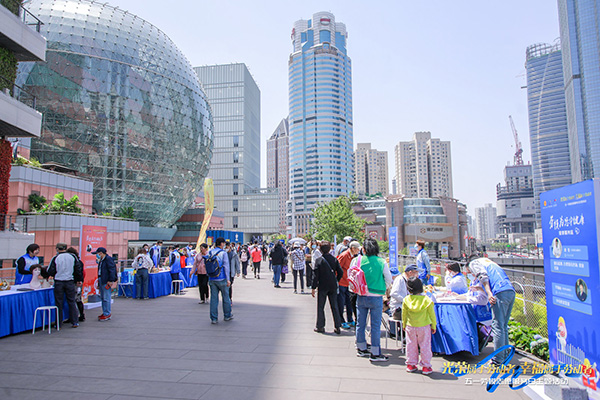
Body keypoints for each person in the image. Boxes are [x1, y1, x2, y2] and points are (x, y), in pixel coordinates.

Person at [468, 256, 516, 365]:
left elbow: (483, 277)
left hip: (499, 292)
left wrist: (489, 293)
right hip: (510, 291)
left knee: (497, 326)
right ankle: (504, 355)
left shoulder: (474, 263)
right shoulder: (490, 262)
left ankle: (498, 360)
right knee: (503, 326)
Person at [354, 238, 392, 362]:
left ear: (363, 249)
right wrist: (381, 288)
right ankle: (375, 353)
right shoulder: (381, 262)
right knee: (375, 325)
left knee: (361, 323)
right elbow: (388, 280)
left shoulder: (358, 260)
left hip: (361, 295)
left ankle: (361, 348)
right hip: (376, 297)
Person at [402, 278, 436, 374]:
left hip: (410, 326)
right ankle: (426, 366)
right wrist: (433, 325)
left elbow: (404, 314)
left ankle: (411, 364)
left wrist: (404, 324)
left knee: (411, 345)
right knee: (425, 345)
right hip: (424, 326)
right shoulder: (426, 300)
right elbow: (432, 314)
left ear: (409, 289)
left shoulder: (406, 300)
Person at [47, 243, 83, 328]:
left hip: (59, 281)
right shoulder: (72, 256)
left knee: (59, 303)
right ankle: (75, 321)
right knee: (71, 301)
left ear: (57, 249)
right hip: (70, 281)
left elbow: (50, 271)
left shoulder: (55, 258)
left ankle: (58, 322)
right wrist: (78, 279)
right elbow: (78, 269)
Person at [311, 241, 343, 335]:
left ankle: (320, 326)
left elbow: (315, 275)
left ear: (320, 249)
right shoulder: (334, 259)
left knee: (321, 306)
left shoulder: (319, 260)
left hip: (322, 286)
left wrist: (313, 287)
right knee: (334, 306)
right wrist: (336, 280)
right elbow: (340, 272)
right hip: (333, 285)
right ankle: (337, 326)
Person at [208, 238, 232, 324]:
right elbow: (226, 266)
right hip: (222, 278)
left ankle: (214, 318)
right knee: (226, 297)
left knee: (214, 299)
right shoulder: (223, 253)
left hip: (212, 278)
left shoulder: (210, 252)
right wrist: (228, 279)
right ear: (221, 244)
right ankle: (227, 315)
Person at [337, 241, 360, 329]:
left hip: (349, 283)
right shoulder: (344, 255)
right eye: (357, 249)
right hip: (342, 282)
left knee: (349, 302)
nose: (358, 251)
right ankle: (341, 321)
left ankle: (350, 319)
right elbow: (337, 267)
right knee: (341, 302)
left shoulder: (353, 257)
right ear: (353, 248)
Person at [93, 247, 117, 321]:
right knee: (103, 297)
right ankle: (105, 312)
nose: (97, 255)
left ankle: (107, 313)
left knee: (106, 297)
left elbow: (112, 270)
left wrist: (111, 280)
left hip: (106, 280)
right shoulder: (102, 260)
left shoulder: (108, 259)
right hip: (102, 279)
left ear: (100, 253)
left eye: (97, 253)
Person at [66, 247, 86, 321]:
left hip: (75, 281)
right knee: (78, 299)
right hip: (79, 281)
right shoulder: (79, 262)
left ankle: (74, 315)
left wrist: (78, 280)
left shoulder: (74, 262)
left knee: (74, 299)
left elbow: (78, 272)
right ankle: (81, 314)